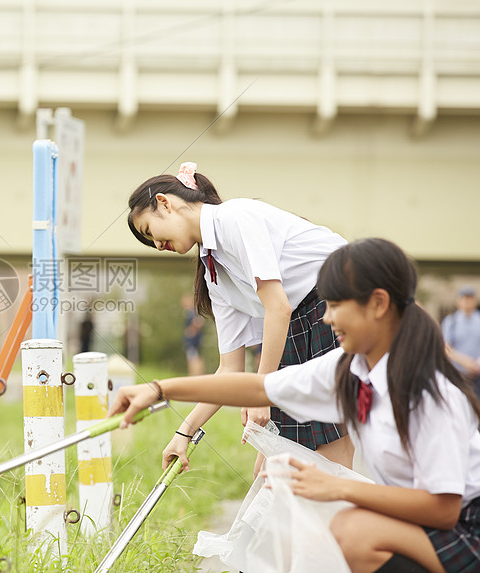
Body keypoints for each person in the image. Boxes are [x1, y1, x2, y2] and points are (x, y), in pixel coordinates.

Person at [110, 238, 480, 573]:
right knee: (310, 534)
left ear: (379, 304)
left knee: (350, 531)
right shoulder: (349, 368)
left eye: (336, 305)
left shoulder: (430, 394)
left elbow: (443, 509)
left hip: (466, 526)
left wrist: (336, 487)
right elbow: (258, 388)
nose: (326, 317)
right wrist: (160, 389)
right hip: (424, 522)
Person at [128, 162, 353, 475]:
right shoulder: (213, 274)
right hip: (301, 319)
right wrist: (184, 433)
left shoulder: (235, 217)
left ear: (164, 203)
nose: (157, 245)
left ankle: (348, 517)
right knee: (274, 454)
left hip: (342, 297)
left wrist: (262, 392)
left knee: (326, 451)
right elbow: (229, 369)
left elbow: (278, 307)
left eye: (149, 231)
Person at [441, 286, 480, 396]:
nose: (467, 301)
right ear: (458, 301)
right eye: (464, 298)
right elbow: (446, 348)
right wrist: (465, 362)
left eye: (470, 298)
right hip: (459, 373)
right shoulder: (451, 321)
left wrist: (477, 363)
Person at [181, 293, 205, 376]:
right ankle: (195, 374)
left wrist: (191, 331)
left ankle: (195, 375)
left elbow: (198, 323)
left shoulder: (191, 313)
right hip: (194, 340)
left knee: (193, 358)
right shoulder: (192, 312)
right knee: (194, 357)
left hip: (192, 341)